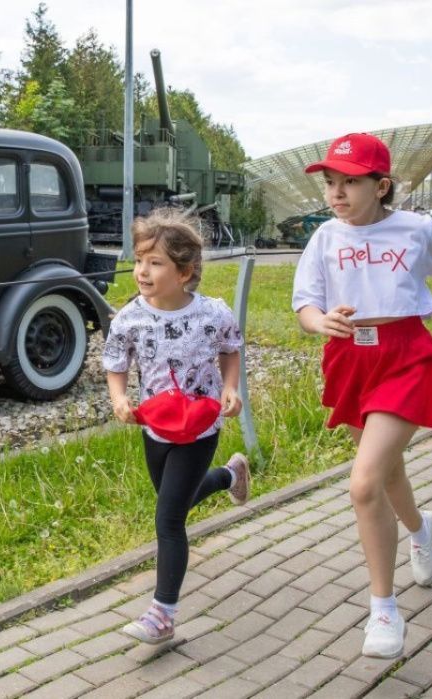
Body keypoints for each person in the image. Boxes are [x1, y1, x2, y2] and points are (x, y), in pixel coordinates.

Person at [291, 133, 432, 658]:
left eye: (350, 181)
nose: (336, 192)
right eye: (330, 182)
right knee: (387, 472)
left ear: (381, 185)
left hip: (406, 355)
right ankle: (420, 527)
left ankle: (384, 609)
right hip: (351, 359)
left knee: (364, 484)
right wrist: (322, 323)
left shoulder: (417, 229)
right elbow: (305, 306)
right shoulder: (324, 238)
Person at [103, 207, 251, 644]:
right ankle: (230, 475)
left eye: (155, 262)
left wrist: (230, 388)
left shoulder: (213, 313)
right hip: (156, 428)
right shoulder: (129, 317)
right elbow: (115, 363)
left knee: (168, 520)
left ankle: (162, 614)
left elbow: (230, 349)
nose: (142, 271)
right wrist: (119, 398)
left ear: (185, 272)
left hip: (201, 428)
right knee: (178, 505)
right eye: (140, 260)